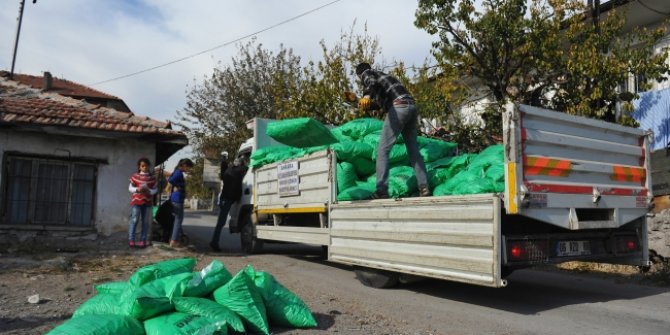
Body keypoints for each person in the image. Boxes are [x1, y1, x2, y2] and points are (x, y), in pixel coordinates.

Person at [356, 62, 431, 199]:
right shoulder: (384, 78)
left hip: (399, 107)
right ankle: (424, 187)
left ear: (359, 75)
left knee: (382, 150)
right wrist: (361, 103)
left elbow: (369, 81)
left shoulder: (368, 74)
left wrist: (366, 95)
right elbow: (379, 105)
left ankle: (381, 191)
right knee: (413, 150)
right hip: (410, 107)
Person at [210, 154, 249, 252]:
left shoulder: (228, 171)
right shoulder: (237, 171)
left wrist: (224, 162)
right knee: (221, 222)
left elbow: (223, 171)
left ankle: (214, 242)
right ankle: (214, 243)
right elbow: (246, 167)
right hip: (227, 200)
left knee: (221, 222)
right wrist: (244, 161)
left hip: (225, 199)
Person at [127, 157, 157, 248]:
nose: (145, 167)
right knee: (134, 220)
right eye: (143, 166)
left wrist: (150, 191)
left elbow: (155, 189)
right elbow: (130, 188)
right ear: (139, 167)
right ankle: (131, 239)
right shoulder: (135, 176)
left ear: (149, 166)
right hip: (136, 202)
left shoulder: (152, 178)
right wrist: (137, 189)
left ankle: (142, 241)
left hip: (147, 202)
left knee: (145, 222)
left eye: (146, 166)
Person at [168, 158, 194, 248]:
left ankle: (173, 239)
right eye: (189, 168)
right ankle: (174, 241)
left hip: (176, 198)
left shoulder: (177, 172)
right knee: (178, 220)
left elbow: (171, 179)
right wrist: (177, 186)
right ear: (184, 166)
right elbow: (171, 180)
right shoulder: (178, 173)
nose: (189, 170)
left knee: (176, 220)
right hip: (177, 199)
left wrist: (177, 186)